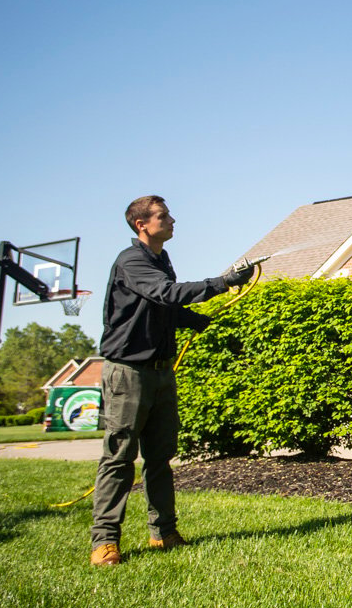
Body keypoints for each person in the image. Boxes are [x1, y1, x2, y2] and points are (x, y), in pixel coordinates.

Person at [89, 195, 255, 566]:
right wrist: (224, 282)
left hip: (162, 372)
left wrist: (194, 320)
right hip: (128, 372)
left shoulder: (161, 260)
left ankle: (163, 532)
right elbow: (163, 292)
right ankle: (104, 542)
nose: (173, 220)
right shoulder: (131, 260)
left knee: (159, 458)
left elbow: (164, 307)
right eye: (163, 216)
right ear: (141, 224)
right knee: (119, 458)